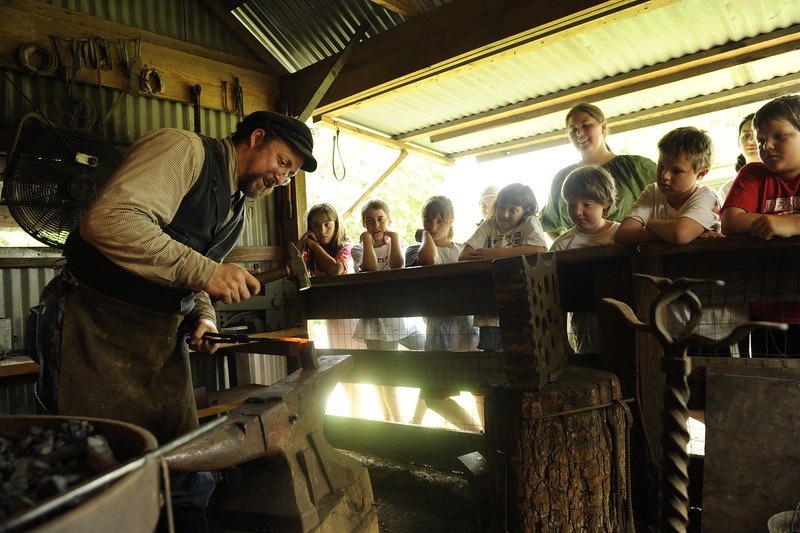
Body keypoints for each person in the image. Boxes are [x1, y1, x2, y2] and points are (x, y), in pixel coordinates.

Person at [29, 111, 317, 532]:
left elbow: (197, 275)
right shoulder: (183, 150)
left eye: (289, 175)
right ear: (257, 138)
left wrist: (203, 316)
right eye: (283, 163)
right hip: (91, 323)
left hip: (159, 340)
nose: (281, 179)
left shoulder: (235, 208)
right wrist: (206, 273)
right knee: (91, 460)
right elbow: (109, 221)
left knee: (181, 457)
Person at [721, 95, 800, 357]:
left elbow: (748, 219)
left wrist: (790, 224)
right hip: (767, 309)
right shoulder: (753, 173)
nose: (768, 146)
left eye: (780, 136)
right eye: (762, 140)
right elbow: (731, 221)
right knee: (772, 387)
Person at [405, 196, 480, 431]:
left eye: (440, 220)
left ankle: (490, 435)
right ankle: (478, 432)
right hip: (439, 334)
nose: (434, 226)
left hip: (470, 331)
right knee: (436, 394)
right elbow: (429, 259)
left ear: (451, 222)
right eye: (428, 220)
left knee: (480, 389)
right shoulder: (414, 251)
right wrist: (425, 237)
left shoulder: (463, 251)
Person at [351, 199, 424, 421]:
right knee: (386, 375)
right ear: (364, 224)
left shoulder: (398, 246)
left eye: (381, 219)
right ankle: (397, 422)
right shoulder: (357, 248)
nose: (376, 225)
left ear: (389, 220)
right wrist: (366, 241)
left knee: (432, 353)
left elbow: (397, 266)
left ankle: (416, 420)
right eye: (370, 221)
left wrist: (395, 240)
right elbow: (370, 268)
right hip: (376, 322)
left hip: (403, 318)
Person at [540, 102, 657, 240]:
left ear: (603, 127)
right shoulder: (562, 178)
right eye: (573, 129)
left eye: (586, 125)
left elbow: (670, 203)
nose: (580, 133)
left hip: (630, 255)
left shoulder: (635, 167)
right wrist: (568, 249)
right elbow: (549, 224)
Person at [459, 183, 547, 351]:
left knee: (526, 353)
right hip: (489, 308)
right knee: (493, 358)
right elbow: (464, 255)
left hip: (524, 305)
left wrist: (494, 254)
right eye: (501, 207)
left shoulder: (529, 222)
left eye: (513, 210)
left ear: (526, 211)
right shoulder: (488, 225)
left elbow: (538, 250)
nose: (504, 214)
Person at [550, 164, 619, 354]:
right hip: (582, 327)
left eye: (586, 204)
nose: (577, 211)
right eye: (571, 204)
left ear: (605, 202)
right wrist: (562, 340)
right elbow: (554, 297)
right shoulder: (562, 245)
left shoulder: (622, 235)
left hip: (620, 321)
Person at [614, 126, 721, 245]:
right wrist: (669, 234)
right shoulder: (652, 191)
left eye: (676, 171)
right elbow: (622, 235)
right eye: (661, 167)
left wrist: (650, 224)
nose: (664, 176)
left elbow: (680, 234)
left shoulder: (707, 197)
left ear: (701, 174)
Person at [299, 203, 353, 277]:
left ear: (336, 226)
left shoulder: (346, 247)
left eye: (327, 225)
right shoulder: (310, 252)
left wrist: (314, 245)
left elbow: (335, 270)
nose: (322, 230)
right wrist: (303, 239)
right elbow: (294, 267)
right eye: (316, 225)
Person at [718, 113, 760, 199]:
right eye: (746, 136)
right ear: (738, 143)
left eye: (756, 135)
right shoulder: (727, 189)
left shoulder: (784, 179)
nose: (751, 141)